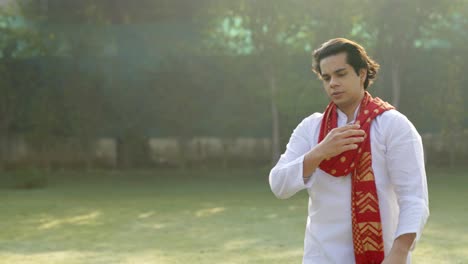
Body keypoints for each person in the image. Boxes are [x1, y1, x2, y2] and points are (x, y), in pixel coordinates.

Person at [268, 38, 429, 264]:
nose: (333, 83)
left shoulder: (393, 125)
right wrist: (319, 152)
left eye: (341, 74)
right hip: (321, 256)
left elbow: (414, 198)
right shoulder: (312, 128)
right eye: (326, 77)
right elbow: (278, 185)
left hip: (384, 257)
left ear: (362, 74)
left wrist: (400, 252)